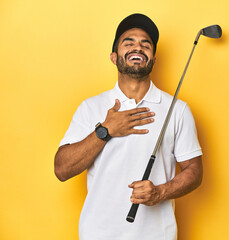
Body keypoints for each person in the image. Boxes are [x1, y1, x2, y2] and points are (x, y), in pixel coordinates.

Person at [54, 13, 203, 240]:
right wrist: (105, 131)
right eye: (129, 42)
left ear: (153, 59)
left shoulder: (177, 109)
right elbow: (62, 169)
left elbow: (194, 171)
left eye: (146, 44)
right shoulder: (91, 107)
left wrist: (160, 192)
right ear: (114, 57)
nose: (138, 47)